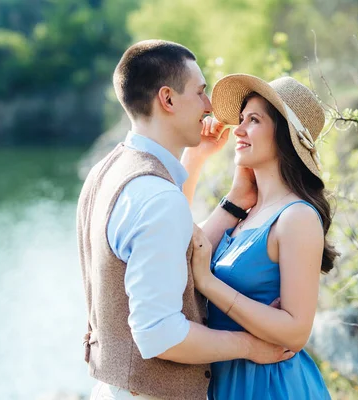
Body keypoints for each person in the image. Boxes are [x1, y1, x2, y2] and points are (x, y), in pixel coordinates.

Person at [76, 41, 294, 400]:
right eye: (200, 91)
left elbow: (174, 246)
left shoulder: (108, 172)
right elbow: (160, 334)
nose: (209, 107)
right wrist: (250, 346)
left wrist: (197, 161)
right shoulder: (157, 198)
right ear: (168, 99)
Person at [182, 74, 338, 399]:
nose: (238, 130)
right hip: (226, 381)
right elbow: (179, 259)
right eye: (240, 120)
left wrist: (210, 284)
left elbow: (295, 332)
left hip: (270, 386)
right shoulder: (245, 212)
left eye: (253, 120)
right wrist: (196, 160)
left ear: (283, 136)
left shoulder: (296, 217)